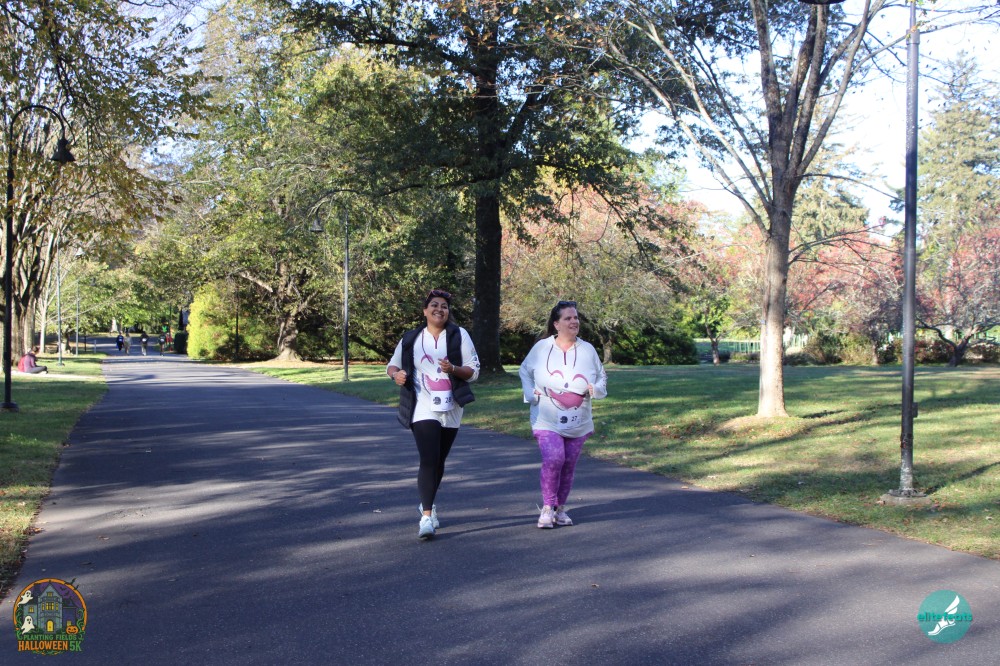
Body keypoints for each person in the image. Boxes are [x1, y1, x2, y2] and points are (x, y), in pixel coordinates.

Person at [387, 289, 480, 540]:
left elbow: (473, 371)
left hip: (452, 407)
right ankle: (426, 517)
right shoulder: (411, 338)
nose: (440, 309)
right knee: (428, 459)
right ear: (425, 311)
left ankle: (427, 503)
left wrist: (453, 369)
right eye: (435, 305)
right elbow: (392, 364)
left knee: (439, 461)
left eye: (444, 306)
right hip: (422, 405)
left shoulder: (459, 335)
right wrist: (396, 375)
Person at [519, 300, 607, 529]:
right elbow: (524, 370)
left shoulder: (588, 350)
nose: (574, 321)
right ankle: (547, 507)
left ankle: (560, 509)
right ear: (556, 324)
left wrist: (595, 389)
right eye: (568, 318)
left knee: (568, 465)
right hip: (546, 418)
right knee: (554, 458)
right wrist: (530, 394)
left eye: (576, 317)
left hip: (579, 421)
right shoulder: (542, 348)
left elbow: (601, 376)